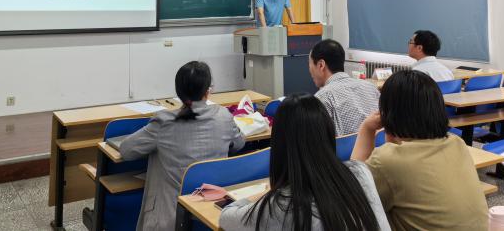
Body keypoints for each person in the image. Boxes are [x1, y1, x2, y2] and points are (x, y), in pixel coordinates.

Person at [220, 93, 390, 231]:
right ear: (328, 134)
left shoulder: (280, 205)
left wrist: (264, 194)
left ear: (279, 144)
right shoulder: (361, 173)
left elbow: (226, 217)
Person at [351, 70, 489, 231]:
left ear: (388, 115)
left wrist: (366, 129)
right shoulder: (456, 143)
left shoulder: (387, 160)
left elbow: (352, 194)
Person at [119, 61, 245, 231]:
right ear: (208, 90)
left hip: (170, 218)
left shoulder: (164, 122)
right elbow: (239, 143)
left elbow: (126, 150)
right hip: (210, 215)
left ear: (178, 92)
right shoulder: (223, 116)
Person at [309, 39, 379, 136]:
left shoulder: (322, 98)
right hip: (378, 145)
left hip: (345, 146)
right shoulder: (370, 87)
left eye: (310, 64)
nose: (309, 70)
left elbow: (317, 139)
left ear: (321, 65)